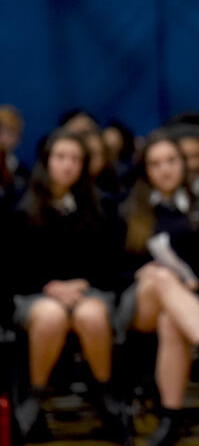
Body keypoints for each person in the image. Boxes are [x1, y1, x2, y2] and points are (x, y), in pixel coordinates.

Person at [116, 129, 199, 446]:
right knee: (159, 276)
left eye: (171, 160)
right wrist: (143, 273)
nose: (165, 169)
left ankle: (170, 417)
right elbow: (110, 272)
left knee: (171, 319)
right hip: (139, 300)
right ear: (145, 170)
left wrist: (195, 280)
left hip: (195, 300)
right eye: (155, 163)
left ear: (183, 164)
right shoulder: (129, 212)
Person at [9, 128, 124, 441]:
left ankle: (105, 396)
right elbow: (14, 268)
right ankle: (34, 399)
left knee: (92, 316)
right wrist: (51, 287)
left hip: (89, 290)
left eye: (75, 158)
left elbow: (113, 263)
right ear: (47, 161)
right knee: (51, 316)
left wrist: (82, 283)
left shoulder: (102, 205)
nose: (68, 165)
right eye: (61, 157)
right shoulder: (21, 206)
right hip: (36, 293)